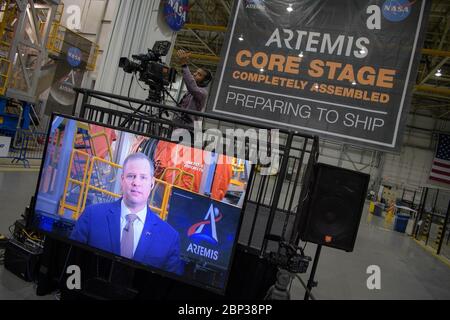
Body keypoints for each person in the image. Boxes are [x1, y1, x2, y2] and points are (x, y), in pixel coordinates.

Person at [70, 152, 183, 275]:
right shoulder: (92, 216)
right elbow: (71, 263)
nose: (136, 183)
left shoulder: (169, 238)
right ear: (122, 180)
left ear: (152, 183)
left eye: (143, 177)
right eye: (131, 176)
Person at [175, 49, 212, 125]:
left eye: (199, 74)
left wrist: (184, 64)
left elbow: (192, 87)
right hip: (181, 125)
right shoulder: (190, 92)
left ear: (205, 81)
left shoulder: (203, 93)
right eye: (196, 72)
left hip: (190, 128)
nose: (194, 74)